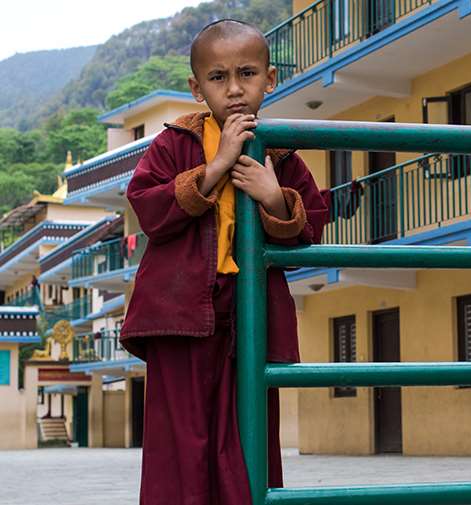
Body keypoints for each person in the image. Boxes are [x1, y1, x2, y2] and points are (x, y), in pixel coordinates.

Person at [119, 18, 327, 505]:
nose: (234, 90)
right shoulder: (174, 143)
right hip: (181, 317)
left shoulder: (281, 150)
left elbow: (311, 227)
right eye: (218, 78)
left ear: (270, 79)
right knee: (182, 445)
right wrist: (214, 169)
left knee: (248, 434)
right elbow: (149, 209)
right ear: (197, 88)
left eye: (248, 73)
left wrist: (275, 197)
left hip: (248, 317)